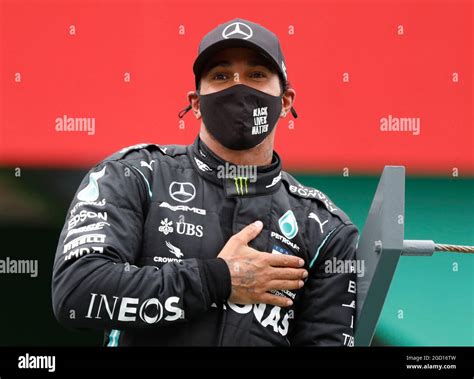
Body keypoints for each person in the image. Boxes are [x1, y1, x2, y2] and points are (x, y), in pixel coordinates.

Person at [52, 18, 358, 346]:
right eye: (221, 76)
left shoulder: (325, 230)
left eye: (256, 75)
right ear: (196, 103)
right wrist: (217, 279)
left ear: (285, 102)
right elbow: (76, 293)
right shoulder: (134, 175)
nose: (238, 88)